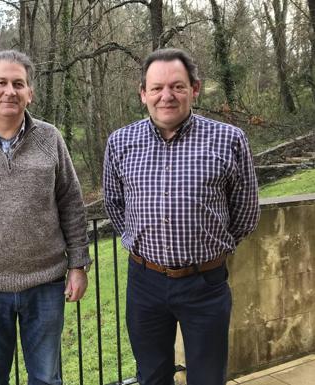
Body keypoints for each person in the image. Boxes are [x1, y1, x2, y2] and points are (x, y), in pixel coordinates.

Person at [103, 48, 260, 385]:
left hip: (205, 283)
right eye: (156, 88)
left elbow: (246, 212)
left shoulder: (229, 140)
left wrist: (210, 249)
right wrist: (141, 243)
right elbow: (115, 205)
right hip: (144, 283)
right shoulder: (120, 142)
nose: (166, 96)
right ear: (143, 93)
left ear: (195, 89)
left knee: (207, 378)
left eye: (177, 86)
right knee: (152, 376)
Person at [0, 50, 92, 385]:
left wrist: (78, 265)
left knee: (46, 379)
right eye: (2, 83)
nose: (10, 90)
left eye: (18, 84)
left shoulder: (50, 138)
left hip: (47, 284)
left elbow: (71, 203)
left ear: (30, 93)